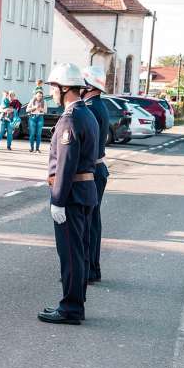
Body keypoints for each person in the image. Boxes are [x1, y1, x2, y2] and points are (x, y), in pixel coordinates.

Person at [38, 63, 99, 325]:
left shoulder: (71, 118)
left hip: (72, 194)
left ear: (64, 89)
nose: (51, 91)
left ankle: (71, 308)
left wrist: (58, 200)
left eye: (54, 87)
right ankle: (76, 303)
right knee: (80, 251)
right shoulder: (86, 114)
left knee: (71, 254)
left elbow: (65, 162)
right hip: (84, 191)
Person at [82, 65, 110, 284]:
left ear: (89, 85)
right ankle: (93, 268)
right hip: (98, 168)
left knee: (87, 222)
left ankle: (89, 270)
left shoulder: (90, 108)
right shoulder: (99, 105)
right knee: (93, 221)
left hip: (92, 170)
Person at [26, 89, 46, 153]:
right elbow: (27, 110)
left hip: (40, 117)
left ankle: (37, 148)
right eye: (38, 96)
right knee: (32, 134)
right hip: (32, 117)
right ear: (35, 95)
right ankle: (31, 148)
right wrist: (34, 107)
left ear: (42, 96)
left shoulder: (44, 101)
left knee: (38, 134)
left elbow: (45, 111)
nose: (39, 97)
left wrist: (40, 109)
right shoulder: (32, 101)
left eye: (40, 96)